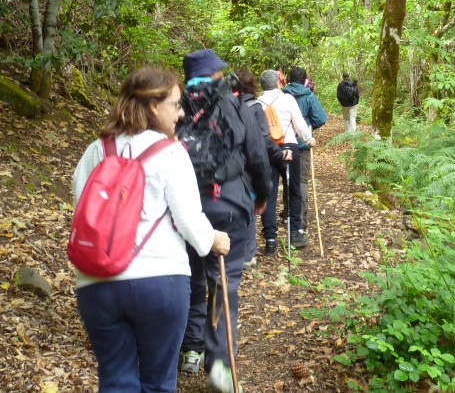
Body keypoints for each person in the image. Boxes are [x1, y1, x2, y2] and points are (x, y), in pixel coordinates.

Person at [71, 66, 230, 393]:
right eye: (176, 104)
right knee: (158, 383)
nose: (181, 112)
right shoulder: (170, 151)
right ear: (153, 106)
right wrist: (214, 239)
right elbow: (188, 220)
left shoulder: (96, 150)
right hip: (160, 280)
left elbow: (83, 209)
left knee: (116, 381)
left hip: (96, 283)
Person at [176, 49, 270, 393]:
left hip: (184, 207)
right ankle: (219, 368)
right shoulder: (235, 104)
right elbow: (257, 155)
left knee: (190, 278)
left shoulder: (175, 106)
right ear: (217, 74)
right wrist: (261, 195)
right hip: (228, 205)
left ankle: (190, 349)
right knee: (223, 284)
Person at [234, 68, 292, 267]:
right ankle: (247, 255)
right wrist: (280, 154)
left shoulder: (224, 106)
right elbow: (263, 139)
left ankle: (234, 252)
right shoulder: (254, 107)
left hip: (228, 164)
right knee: (249, 207)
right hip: (248, 163)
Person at [257, 69, 314, 253]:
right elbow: (299, 124)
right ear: (278, 83)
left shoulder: (257, 103)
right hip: (289, 146)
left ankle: (270, 240)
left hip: (267, 150)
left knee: (269, 193)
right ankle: (295, 234)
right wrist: (308, 139)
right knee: (294, 190)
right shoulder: (287, 99)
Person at [283, 66, 327, 235]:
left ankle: (287, 214)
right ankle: (300, 222)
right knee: (301, 180)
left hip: (283, 144)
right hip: (302, 144)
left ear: (289, 79)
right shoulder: (309, 96)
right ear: (305, 80)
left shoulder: (282, 94)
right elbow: (320, 118)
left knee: (287, 178)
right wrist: (309, 125)